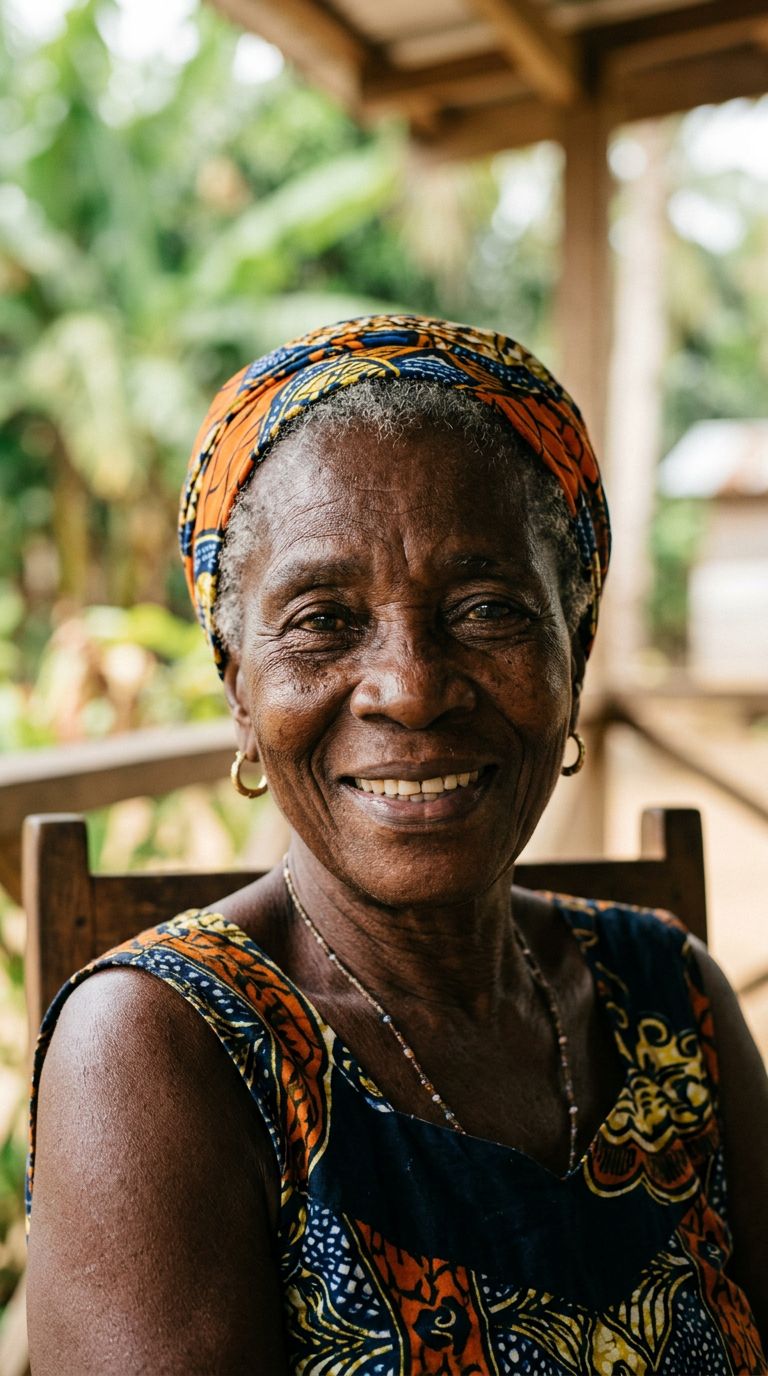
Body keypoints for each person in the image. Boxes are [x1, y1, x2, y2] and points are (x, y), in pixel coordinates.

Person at [26, 315, 768, 1375]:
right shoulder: (158, 1049)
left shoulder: (672, 998)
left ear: (574, 651)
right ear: (240, 688)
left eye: (487, 608)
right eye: (323, 620)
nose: (411, 688)